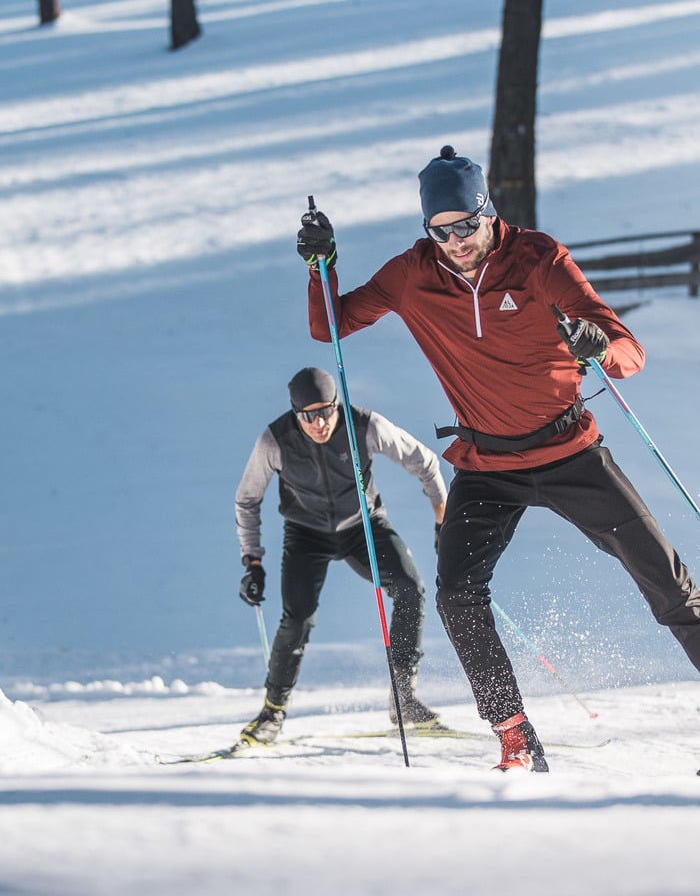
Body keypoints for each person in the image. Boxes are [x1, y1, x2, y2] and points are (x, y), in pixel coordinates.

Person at [296, 145, 700, 772]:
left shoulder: (538, 258)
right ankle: (513, 732)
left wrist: (598, 343)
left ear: (489, 212)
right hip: (487, 466)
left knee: (665, 580)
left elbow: (629, 352)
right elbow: (333, 326)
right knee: (457, 592)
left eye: (466, 225)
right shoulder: (413, 273)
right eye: (440, 230)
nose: (455, 240)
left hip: (571, 452)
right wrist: (322, 266)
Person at [235, 366, 448, 746]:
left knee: (410, 587)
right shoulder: (275, 440)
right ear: (295, 413)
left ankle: (403, 699)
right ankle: (272, 712)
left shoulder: (365, 426)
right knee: (297, 618)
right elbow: (247, 499)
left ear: (337, 404)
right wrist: (252, 560)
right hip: (306, 533)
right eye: (308, 416)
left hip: (362, 526)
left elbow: (425, 462)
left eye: (326, 412)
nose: (318, 423)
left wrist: (441, 523)